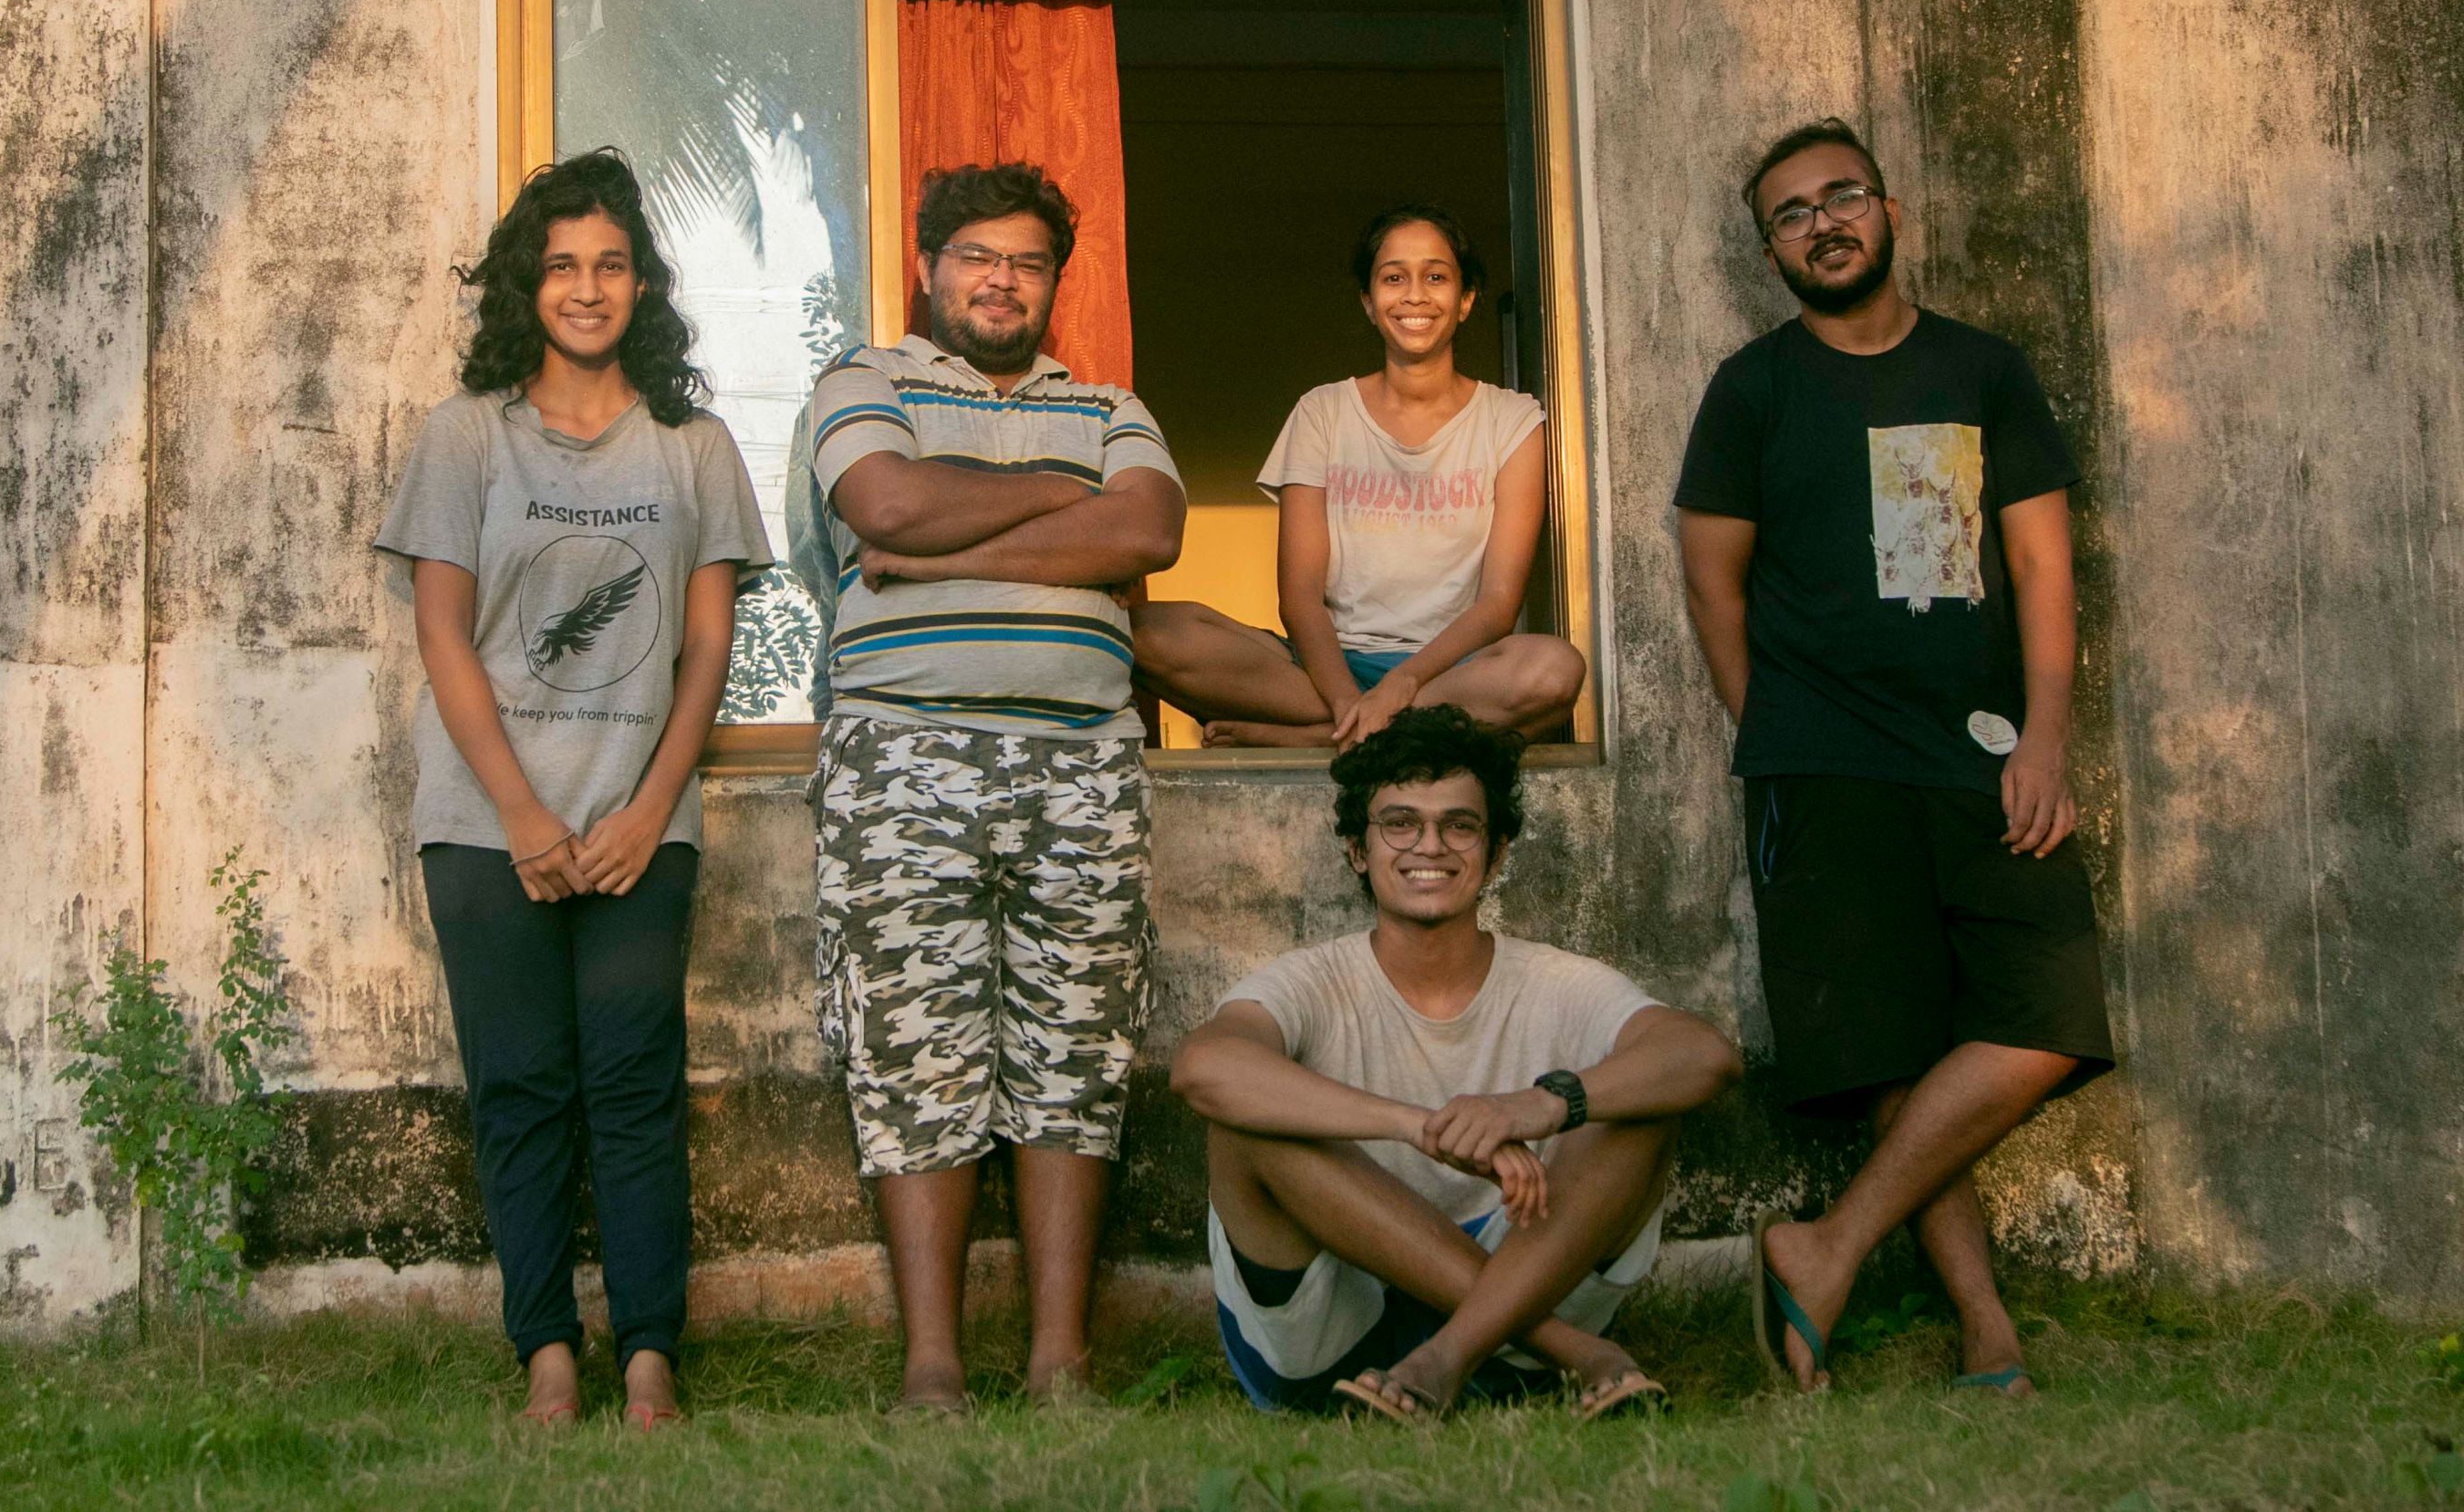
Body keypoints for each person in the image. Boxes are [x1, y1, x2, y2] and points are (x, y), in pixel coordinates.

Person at [1673, 118, 2118, 1397]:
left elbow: (2039, 562)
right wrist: (1783, 730)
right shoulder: (1753, 389)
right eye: (1792, 214)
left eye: (1841, 197)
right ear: (1772, 250)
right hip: (1822, 768)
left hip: (1983, 759)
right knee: (1885, 1051)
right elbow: (1714, 584)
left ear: (1890, 208)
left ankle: (1826, 1245)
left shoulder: (1983, 371)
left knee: (2044, 1019)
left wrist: (2044, 737)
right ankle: (1988, 1334)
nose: (1823, 223)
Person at [373, 149, 772, 1429]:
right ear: (525, 286)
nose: (585, 287)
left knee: (633, 1083)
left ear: (641, 284)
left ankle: (648, 1352)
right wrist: (526, 817)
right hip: (486, 827)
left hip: (638, 826)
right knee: (523, 1087)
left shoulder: (692, 448)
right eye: (560, 265)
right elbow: (445, 633)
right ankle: (548, 1349)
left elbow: (707, 647)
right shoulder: (465, 434)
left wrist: (650, 809)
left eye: (609, 264)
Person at [806, 162, 1187, 1413]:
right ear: (930, 267)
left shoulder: (1113, 404)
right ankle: (932, 1366)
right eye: (978, 255)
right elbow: (884, 500)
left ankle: (1061, 1362)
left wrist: (939, 543)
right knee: (916, 1059)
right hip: (901, 755)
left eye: (1027, 262)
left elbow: (1145, 534)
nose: (1001, 279)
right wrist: (1051, 499)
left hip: (1082, 761)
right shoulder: (865, 382)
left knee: (1073, 1054)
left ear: (1053, 283)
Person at [1170, 705, 1742, 1420]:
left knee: (1638, 1106)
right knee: (1249, 1120)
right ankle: (1575, 1352)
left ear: (1496, 854)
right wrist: (1416, 1126)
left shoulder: (1554, 981)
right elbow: (1203, 1068)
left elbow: (1702, 1055)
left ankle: (1446, 1358)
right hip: (1335, 1341)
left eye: (1460, 825)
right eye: (1400, 823)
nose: (1429, 845)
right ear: (1358, 850)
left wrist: (1542, 1103)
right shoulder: (1312, 982)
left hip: (1513, 1320)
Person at [1132, 205, 1585, 747]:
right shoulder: (1322, 412)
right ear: (1369, 304)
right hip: (1321, 672)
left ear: (1465, 300)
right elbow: (1299, 596)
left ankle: (1320, 738)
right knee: (1143, 634)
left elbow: (1498, 605)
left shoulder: (1513, 421)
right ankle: (1373, 729)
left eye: (1436, 277)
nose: (1415, 295)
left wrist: (1404, 683)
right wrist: (1349, 699)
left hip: (1452, 674)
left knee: (1553, 669)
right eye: (1394, 278)